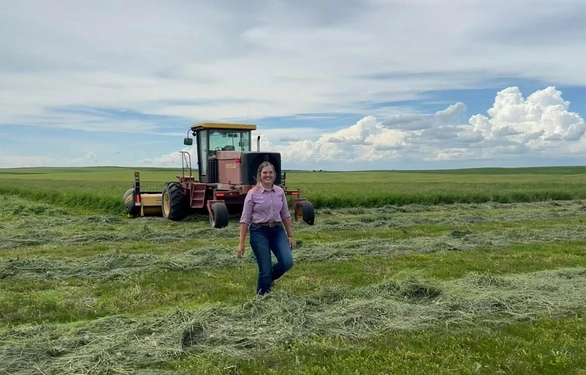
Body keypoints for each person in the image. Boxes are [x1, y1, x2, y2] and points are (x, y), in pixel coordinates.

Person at [238, 161, 295, 295]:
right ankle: (262, 298)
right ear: (260, 175)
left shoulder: (279, 192)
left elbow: (285, 214)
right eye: (265, 173)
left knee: (287, 262)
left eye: (270, 172)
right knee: (265, 269)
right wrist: (241, 243)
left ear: (274, 174)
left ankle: (268, 279)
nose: (268, 175)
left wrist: (290, 235)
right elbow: (245, 219)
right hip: (259, 232)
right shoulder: (252, 194)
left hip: (277, 230)